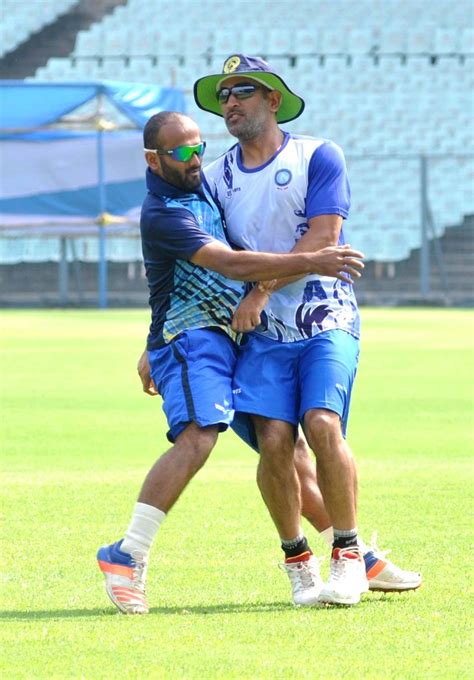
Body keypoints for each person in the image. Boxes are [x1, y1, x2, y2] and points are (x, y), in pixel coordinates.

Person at [96, 110, 365, 614]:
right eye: (180, 152)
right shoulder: (164, 213)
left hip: (229, 340)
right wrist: (313, 260)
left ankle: (354, 554)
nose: (194, 158)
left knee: (287, 447)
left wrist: (148, 340)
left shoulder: (199, 187)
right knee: (200, 434)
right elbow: (230, 263)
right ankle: (126, 554)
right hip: (194, 340)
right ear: (154, 160)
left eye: (198, 146)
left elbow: (174, 280)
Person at [193, 54, 422, 605]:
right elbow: (203, 256)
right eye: (223, 95)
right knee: (274, 443)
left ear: (274, 100)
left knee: (321, 425)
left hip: (326, 318)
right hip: (262, 334)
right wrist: (159, 339)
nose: (230, 103)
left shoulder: (318, 154)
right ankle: (299, 563)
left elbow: (325, 238)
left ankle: (348, 557)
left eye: (243, 91)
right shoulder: (215, 176)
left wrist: (262, 288)